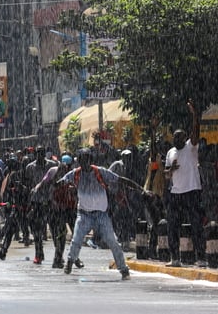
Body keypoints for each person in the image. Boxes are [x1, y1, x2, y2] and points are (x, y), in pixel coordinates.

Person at [57, 148, 151, 280]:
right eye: (82, 160)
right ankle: (70, 262)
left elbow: (121, 180)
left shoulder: (100, 172)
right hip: (84, 214)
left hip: (101, 215)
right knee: (76, 240)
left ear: (90, 160)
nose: (84, 163)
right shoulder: (75, 174)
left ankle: (123, 269)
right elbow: (60, 182)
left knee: (113, 242)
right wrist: (54, 183)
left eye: (86, 159)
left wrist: (141, 189)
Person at [164, 101, 207, 268]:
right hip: (176, 192)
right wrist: (171, 169)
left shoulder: (191, 147)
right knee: (172, 225)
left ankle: (201, 258)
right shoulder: (170, 152)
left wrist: (195, 115)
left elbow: (196, 131)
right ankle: (175, 258)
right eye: (174, 137)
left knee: (196, 224)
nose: (175, 139)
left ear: (184, 138)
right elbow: (167, 175)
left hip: (192, 190)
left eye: (179, 137)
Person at [23, 145, 56, 264]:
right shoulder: (30, 167)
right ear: (36, 154)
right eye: (38, 153)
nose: (40, 155)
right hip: (36, 201)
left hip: (50, 201)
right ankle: (39, 253)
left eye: (42, 153)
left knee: (54, 229)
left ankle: (58, 255)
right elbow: (27, 184)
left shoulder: (52, 165)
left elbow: (56, 180)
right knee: (36, 229)